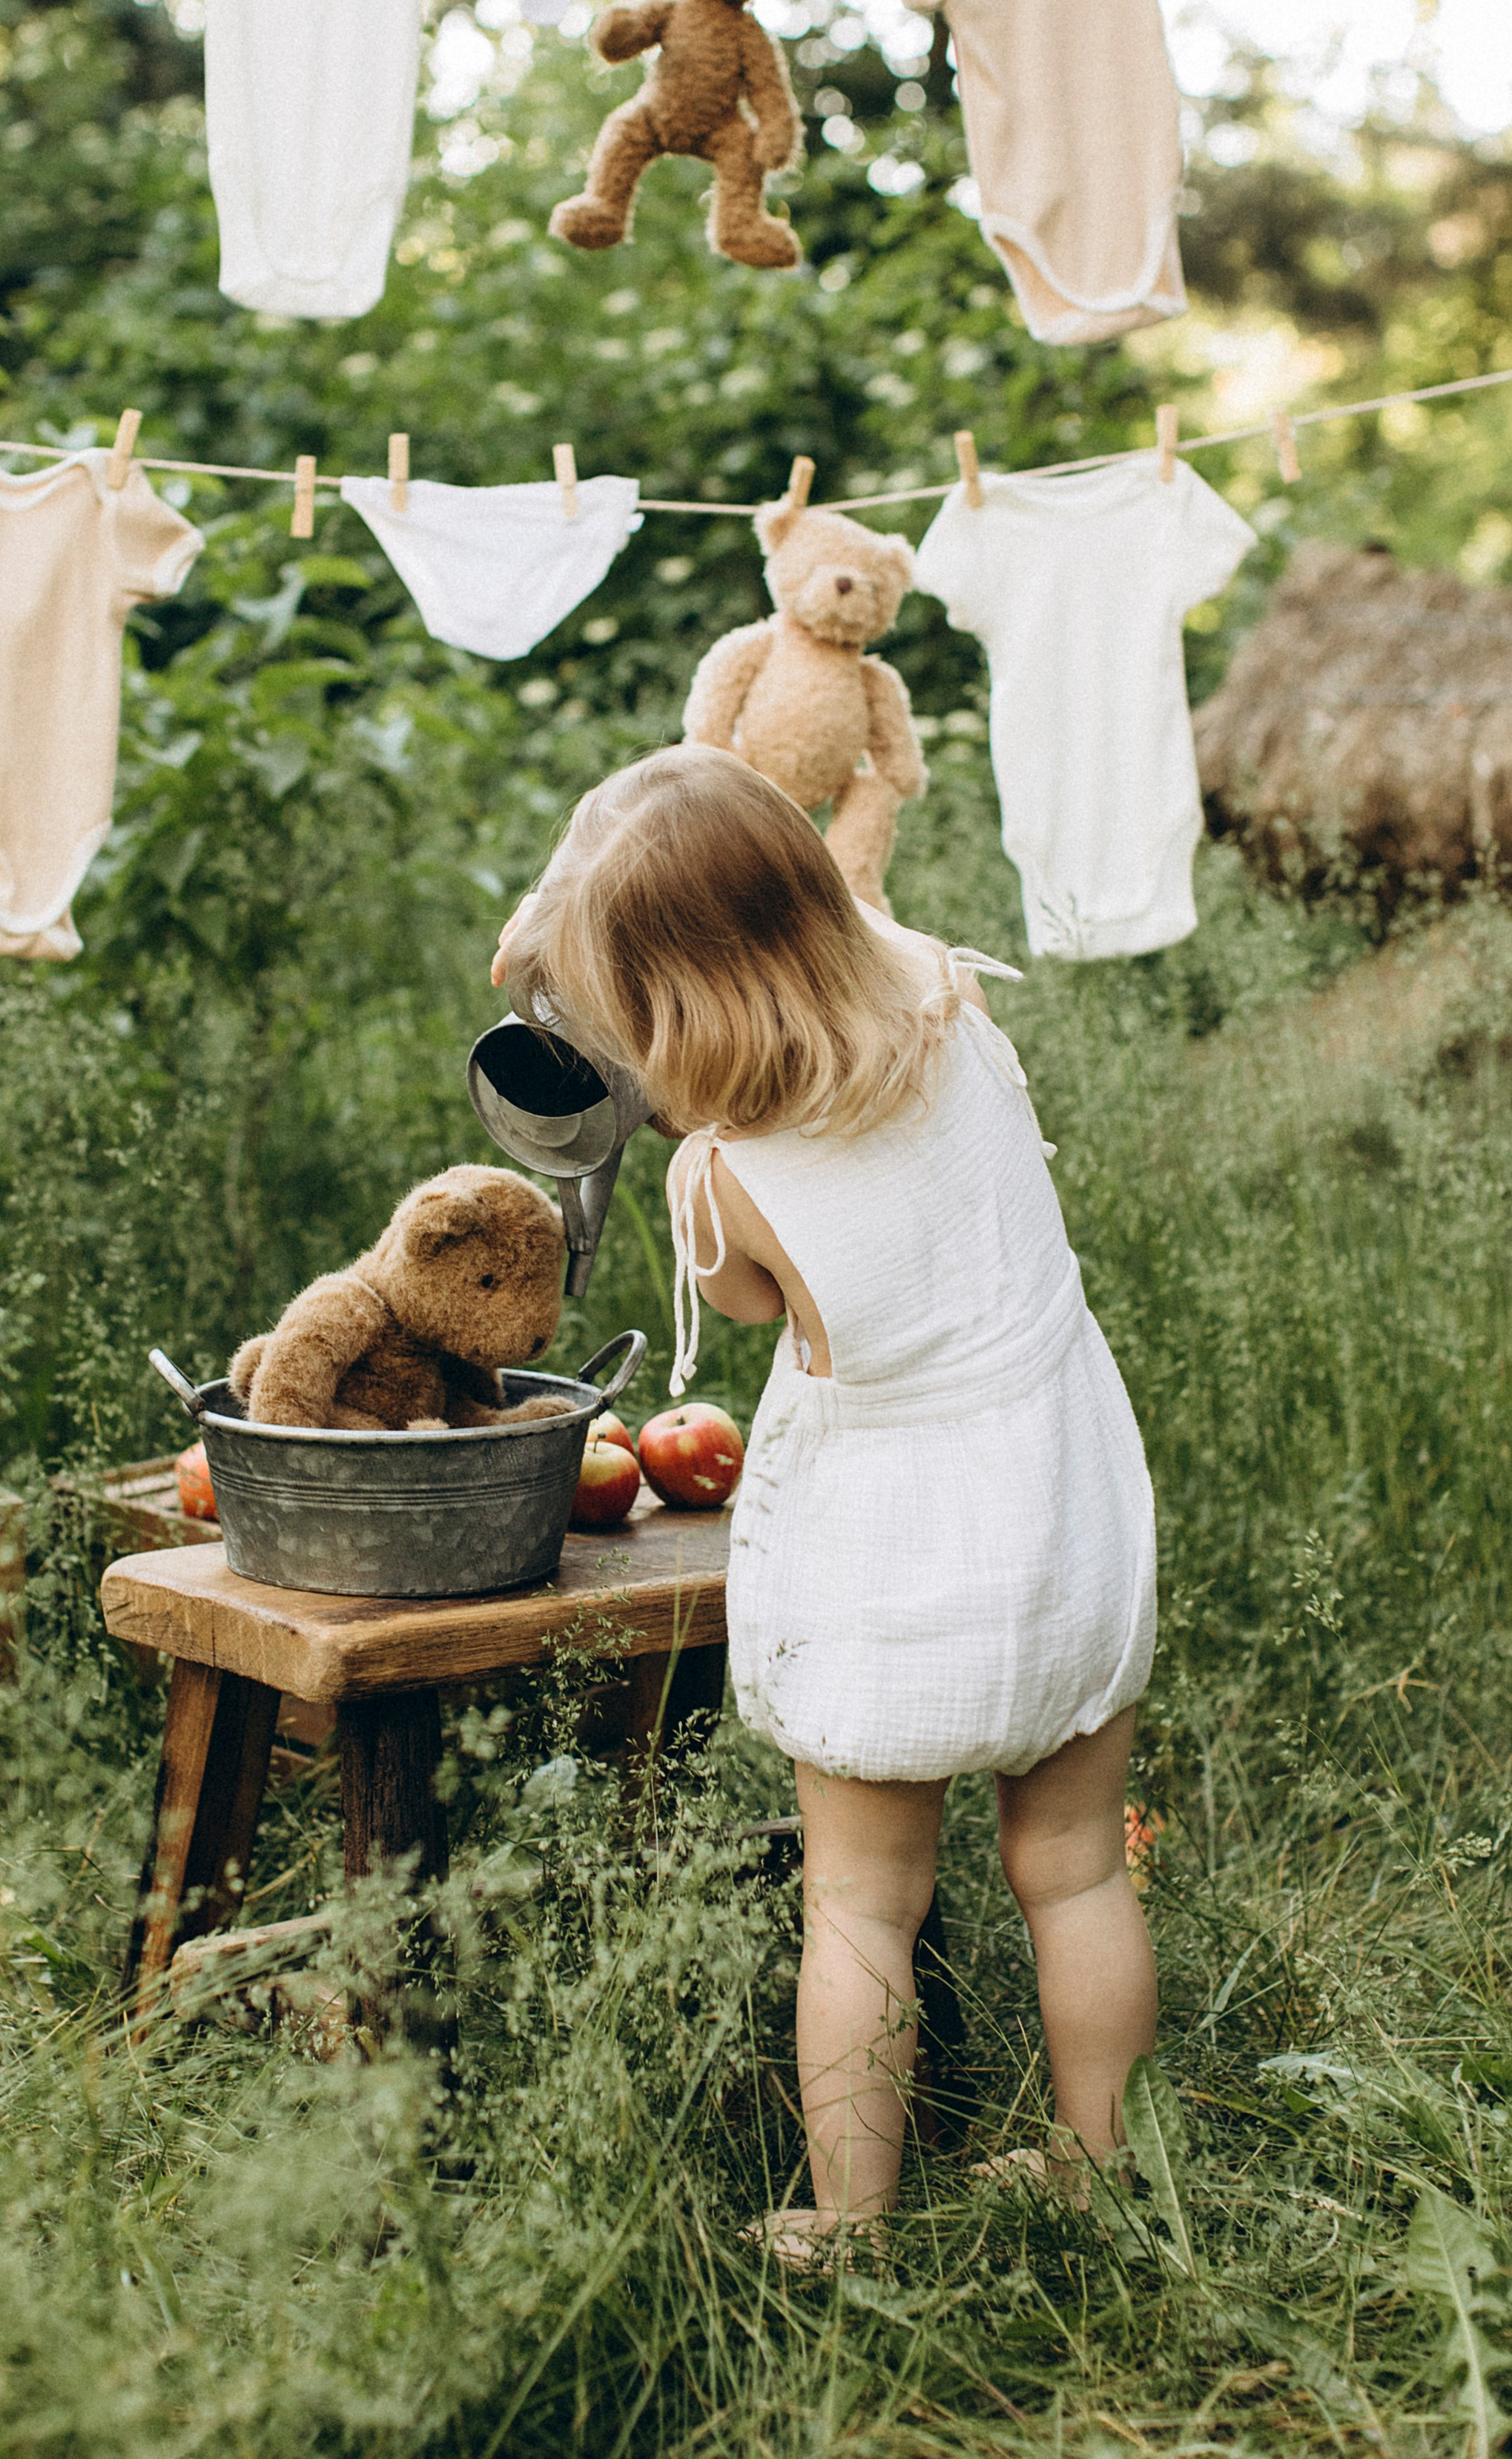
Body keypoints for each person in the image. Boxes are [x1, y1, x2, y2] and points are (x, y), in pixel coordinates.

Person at [494, 744, 1156, 2248]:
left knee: (861, 1906)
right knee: (1069, 1870)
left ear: (649, 1010)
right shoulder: (938, 984)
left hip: (899, 1541)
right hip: (1060, 1491)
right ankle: (1103, 2166)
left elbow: (754, 1314)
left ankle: (849, 2222)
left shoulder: (723, 1179)